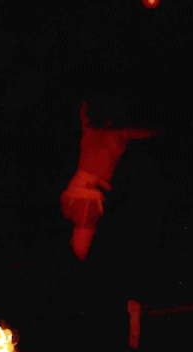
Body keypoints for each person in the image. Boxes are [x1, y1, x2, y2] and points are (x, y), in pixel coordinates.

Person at [60, 99, 162, 261]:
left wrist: (84, 104)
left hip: (72, 191)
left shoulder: (90, 130)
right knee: (79, 253)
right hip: (87, 197)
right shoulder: (120, 134)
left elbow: (83, 115)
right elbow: (145, 133)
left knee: (73, 247)